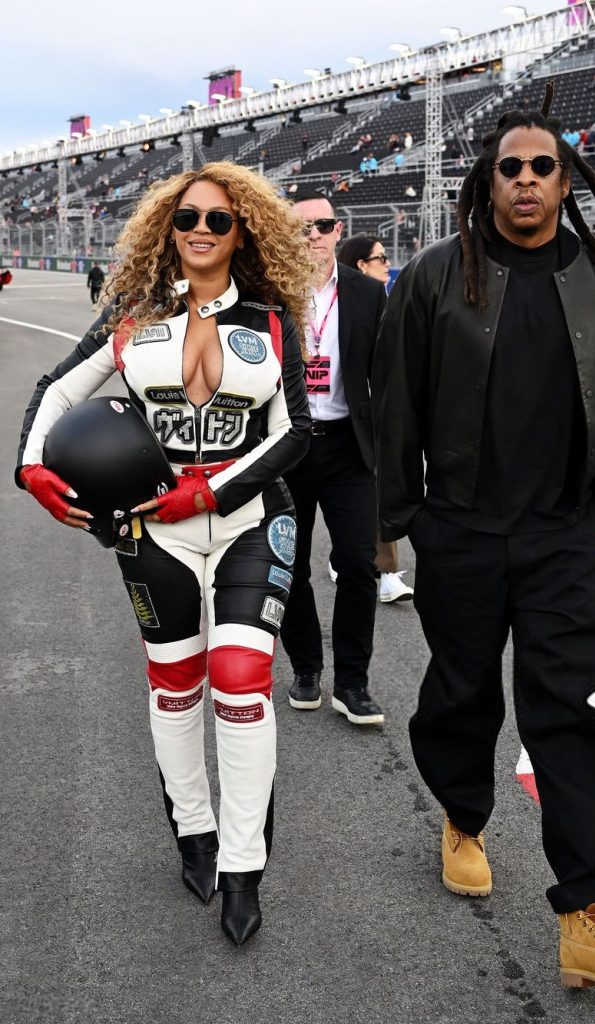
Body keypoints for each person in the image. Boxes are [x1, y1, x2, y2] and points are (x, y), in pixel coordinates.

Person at [372, 105, 595, 989]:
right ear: (488, 181)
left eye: (544, 167)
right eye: (513, 168)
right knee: (460, 695)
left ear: (567, 181)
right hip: (460, 530)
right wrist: (404, 520)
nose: (529, 180)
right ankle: (463, 816)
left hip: (561, 537)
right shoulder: (432, 277)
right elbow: (396, 410)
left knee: (566, 712)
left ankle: (588, 911)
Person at [15, 161, 315, 947]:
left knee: (242, 680)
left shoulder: (275, 315)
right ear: (167, 230)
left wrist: (212, 493)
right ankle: (194, 832)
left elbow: (296, 432)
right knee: (177, 682)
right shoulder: (131, 312)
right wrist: (30, 468)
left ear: (243, 229)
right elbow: (56, 391)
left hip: (251, 519)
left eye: (219, 219)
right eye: (188, 219)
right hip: (155, 529)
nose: (203, 231)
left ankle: (244, 869)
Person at [280, 191, 386, 724]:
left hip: (349, 447)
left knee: (358, 566)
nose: (313, 236)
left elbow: (388, 373)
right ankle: (304, 667)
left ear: (338, 230)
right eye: (302, 229)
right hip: (289, 447)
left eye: (322, 226)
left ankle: (353, 681)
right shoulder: (270, 292)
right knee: (289, 567)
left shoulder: (370, 294)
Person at [336, 234, 414, 605]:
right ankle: (354, 560)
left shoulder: (384, 299)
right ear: (360, 266)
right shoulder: (341, 304)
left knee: (381, 494)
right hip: (340, 421)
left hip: (374, 419)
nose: (387, 264)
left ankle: (384, 572)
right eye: (379, 258)